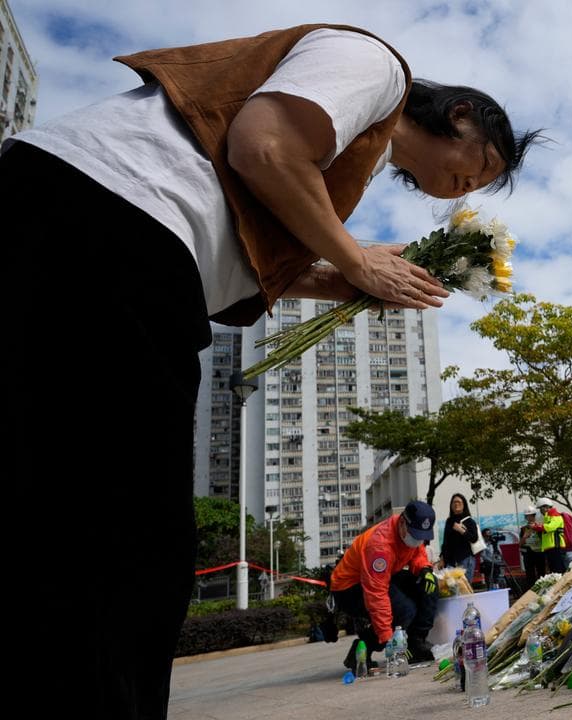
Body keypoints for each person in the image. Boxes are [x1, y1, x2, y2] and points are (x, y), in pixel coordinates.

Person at [4, 23, 539, 718]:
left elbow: (252, 255)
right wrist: (354, 258)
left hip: (84, 228)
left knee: (59, 520)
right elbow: (263, 146)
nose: (472, 186)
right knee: (131, 543)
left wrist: (346, 277)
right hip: (112, 223)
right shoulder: (377, 67)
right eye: (483, 165)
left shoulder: (356, 153)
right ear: (461, 115)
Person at [329, 500, 438, 670]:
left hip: (384, 575)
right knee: (404, 611)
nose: (417, 541)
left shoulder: (410, 531)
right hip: (349, 587)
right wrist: (388, 639)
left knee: (428, 586)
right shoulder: (380, 546)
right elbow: (376, 594)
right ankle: (362, 649)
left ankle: (416, 642)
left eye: (421, 537)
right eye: (414, 536)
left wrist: (424, 569)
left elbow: (417, 552)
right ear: (402, 522)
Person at [441, 494, 481, 582]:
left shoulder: (469, 521)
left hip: (465, 559)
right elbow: (446, 541)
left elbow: (474, 538)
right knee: (450, 589)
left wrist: (461, 530)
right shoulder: (449, 521)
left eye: (459, 502)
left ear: (464, 505)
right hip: (450, 562)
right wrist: (442, 557)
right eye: (454, 502)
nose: (456, 504)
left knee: (464, 589)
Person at [532, 498, 570, 573]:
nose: (540, 511)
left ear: (545, 507)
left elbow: (549, 527)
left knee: (558, 570)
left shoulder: (556, 516)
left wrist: (536, 527)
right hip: (550, 548)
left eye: (540, 509)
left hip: (556, 547)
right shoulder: (547, 518)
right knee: (554, 571)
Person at [519, 506, 546, 587]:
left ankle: (543, 588)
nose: (529, 517)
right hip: (528, 554)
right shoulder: (523, 529)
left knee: (541, 573)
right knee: (530, 574)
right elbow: (520, 544)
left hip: (540, 553)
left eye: (531, 515)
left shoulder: (540, 526)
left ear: (534, 515)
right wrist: (525, 537)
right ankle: (531, 590)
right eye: (527, 516)